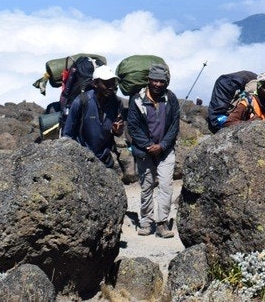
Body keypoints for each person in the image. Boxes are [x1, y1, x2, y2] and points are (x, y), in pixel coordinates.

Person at [127, 63, 180, 238]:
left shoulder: (170, 98)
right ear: (148, 80)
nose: (158, 84)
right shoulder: (136, 99)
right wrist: (149, 145)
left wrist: (162, 145)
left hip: (165, 150)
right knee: (147, 186)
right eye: (155, 80)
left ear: (166, 82)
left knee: (166, 186)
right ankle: (145, 222)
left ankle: (162, 224)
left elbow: (174, 125)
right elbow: (133, 127)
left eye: (161, 81)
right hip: (145, 151)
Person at [63, 64, 124, 168]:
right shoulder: (81, 102)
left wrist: (117, 131)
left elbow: (116, 131)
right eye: (106, 83)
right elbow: (68, 134)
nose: (111, 87)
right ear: (95, 84)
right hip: (82, 159)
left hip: (105, 160)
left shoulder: (116, 103)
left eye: (112, 83)